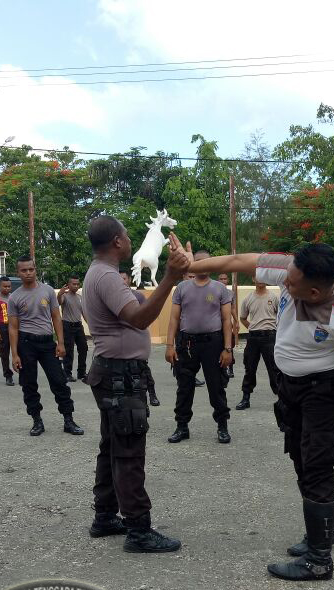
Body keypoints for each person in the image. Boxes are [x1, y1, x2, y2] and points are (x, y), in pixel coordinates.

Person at [171, 236, 334, 581]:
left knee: (316, 462)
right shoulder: (291, 269)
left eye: (291, 283)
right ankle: (319, 534)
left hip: (324, 389)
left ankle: (319, 559)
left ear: (314, 292)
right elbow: (239, 261)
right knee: (299, 455)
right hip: (291, 387)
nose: (283, 282)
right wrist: (190, 266)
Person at [82, 216, 189, 553]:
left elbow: (134, 308)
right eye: (126, 236)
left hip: (113, 373)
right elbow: (140, 319)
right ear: (117, 241)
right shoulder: (107, 277)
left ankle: (105, 516)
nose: (130, 240)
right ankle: (138, 530)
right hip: (120, 377)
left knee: (112, 446)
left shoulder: (99, 274)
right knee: (129, 452)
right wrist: (170, 278)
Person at [8, 256, 83, 437]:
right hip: (26, 344)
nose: (28, 273)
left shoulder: (48, 291)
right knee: (29, 384)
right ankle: (37, 421)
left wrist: (61, 343)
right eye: (23, 270)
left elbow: (56, 317)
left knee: (59, 381)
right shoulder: (14, 297)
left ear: (35, 269)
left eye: (30, 269)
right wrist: (15, 354)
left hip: (47, 343)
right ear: (18, 273)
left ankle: (68, 420)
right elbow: (13, 327)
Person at [165, 255, 234, 444]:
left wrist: (228, 349)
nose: (203, 266)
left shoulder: (220, 289)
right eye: (199, 262)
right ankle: (182, 427)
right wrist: (170, 346)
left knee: (216, 386)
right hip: (187, 344)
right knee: (184, 387)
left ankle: (222, 426)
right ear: (193, 264)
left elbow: (227, 320)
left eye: (207, 262)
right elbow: (173, 319)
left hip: (213, 343)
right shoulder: (182, 288)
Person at [235, 280, 280, 410]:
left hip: (270, 337)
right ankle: (246, 398)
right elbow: (243, 317)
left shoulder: (273, 297)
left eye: (262, 277)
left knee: (274, 369)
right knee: (249, 368)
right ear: (253, 279)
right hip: (253, 338)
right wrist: (254, 328)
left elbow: (280, 315)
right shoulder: (248, 298)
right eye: (257, 277)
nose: (260, 280)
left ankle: (282, 398)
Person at [121, 271, 161, 407]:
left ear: (129, 279)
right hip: (122, 340)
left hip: (138, 337)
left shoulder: (138, 296)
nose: (122, 281)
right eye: (118, 278)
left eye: (124, 278)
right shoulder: (114, 296)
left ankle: (152, 394)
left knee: (143, 369)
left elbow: (147, 315)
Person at [57, 276, 88, 383]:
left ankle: (81, 373)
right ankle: (67, 373)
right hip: (67, 326)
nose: (76, 286)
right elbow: (59, 302)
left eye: (77, 284)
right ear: (68, 285)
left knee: (84, 348)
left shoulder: (80, 297)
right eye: (73, 284)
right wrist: (60, 293)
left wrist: (91, 325)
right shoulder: (64, 296)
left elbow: (84, 313)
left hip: (78, 326)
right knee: (68, 351)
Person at [0, 276, 15, 386]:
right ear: (0, 286)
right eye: (4, 286)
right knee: (4, 353)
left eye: (9, 286)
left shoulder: (13, 297)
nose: (7, 288)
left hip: (13, 327)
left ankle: (23, 373)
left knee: (19, 351)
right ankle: (8, 376)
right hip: (2, 327)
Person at [218, 272, 240, 378]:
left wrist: (236, 321)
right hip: (217, 325)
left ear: (227, 281)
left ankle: (230, 369)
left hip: (228, 325)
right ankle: (221, 369)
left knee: (229, 346)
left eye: (225, 279)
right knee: (218, 347)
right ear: (218, 280)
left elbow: (232, 308)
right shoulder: (214, 292)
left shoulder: (230, 293)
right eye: (221, 279)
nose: (223, 281)